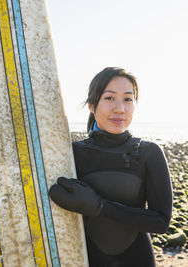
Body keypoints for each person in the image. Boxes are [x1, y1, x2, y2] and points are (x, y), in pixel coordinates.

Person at [49, 67, 173, 267]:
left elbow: (160, 221)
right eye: (109, 98)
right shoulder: (72, 154)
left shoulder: (148, 153)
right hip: (85, 260)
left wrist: (100, 206)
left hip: (137, 260)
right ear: (91, 104)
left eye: (127, 99)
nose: (120, 109)